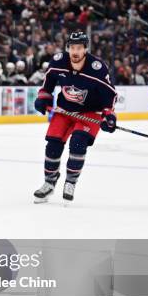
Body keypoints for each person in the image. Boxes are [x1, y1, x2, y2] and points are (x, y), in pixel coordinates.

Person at [33, 32, 117, 203]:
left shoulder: (97, 68)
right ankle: (49, 182)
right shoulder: (58, 62)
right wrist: (43, 98)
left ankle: (70, 182)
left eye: (79, 48)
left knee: (78, 144)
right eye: (72, 47)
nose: (75, 52)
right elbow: (47, 85)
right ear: (68, 48)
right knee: (53, 145)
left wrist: (109, 114)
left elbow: (110, 94)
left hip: (90, 113)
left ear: (85, 49)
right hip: (64, 111)